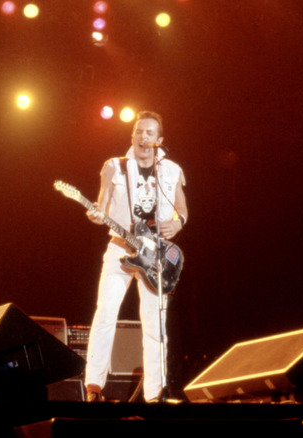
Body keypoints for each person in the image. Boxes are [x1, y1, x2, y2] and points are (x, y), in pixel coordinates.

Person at [83, 111, 188, 402]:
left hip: (153, 254)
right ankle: (94, 387)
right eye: (139, 132)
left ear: (159, 140)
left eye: (150, 133)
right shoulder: (114, 167)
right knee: (105, 313)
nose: (143, 137)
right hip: (120, 249)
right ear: (132, 136)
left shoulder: (171, 170)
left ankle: (156, 394)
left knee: (155, 323)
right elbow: (101, 203)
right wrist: (96, 212)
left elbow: (183, 210)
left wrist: (179, 222)